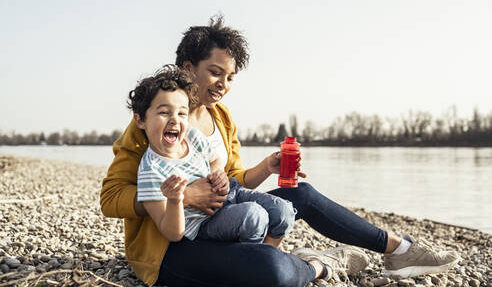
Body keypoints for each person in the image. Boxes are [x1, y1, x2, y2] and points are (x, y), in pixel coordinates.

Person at [100, 16, 459, 287]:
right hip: (173, 246)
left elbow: (230, 183)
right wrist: (184, 196)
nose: (223, 84)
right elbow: (111, 197)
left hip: (222, 220)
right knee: (269, 269)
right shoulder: (155, 124)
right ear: (187, 68)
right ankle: (321, 263)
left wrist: (267, 167)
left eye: (230, 77)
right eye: (214, 72)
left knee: (297, 192)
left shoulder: (220, 119)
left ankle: (399, 250)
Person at [129, 66, 297, 246]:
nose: (175, 119)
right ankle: (256, 256)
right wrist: (175, 200)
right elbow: (172, 233)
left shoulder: (192, 137)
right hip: (204, 221)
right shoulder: (150, 171)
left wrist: (218, 174)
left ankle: (270, 253)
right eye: (164, 112)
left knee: (283, 210)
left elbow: (215, 159)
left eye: (182, 113)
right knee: (254, 216)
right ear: (140, 121)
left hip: (230, 192)